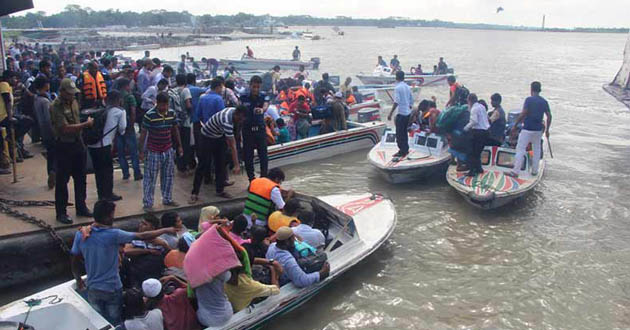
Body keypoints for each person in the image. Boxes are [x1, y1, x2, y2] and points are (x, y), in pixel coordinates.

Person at [70, 200, 176, 325]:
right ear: (107, 216)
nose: (113, 217)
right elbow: (142, 236)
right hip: (112, 289)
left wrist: (78, 279)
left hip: (93, 288)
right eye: (112, 214)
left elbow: (74, 259)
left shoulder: (81, 234)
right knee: (115, 320)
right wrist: (165, 230)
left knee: (97, 319)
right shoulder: (113, 235)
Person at [51, 78, 93, 224]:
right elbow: (64, 128)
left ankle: (81, 207)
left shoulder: (74, 102)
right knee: (62, 180)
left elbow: (75, 120)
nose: (72, 96)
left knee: (81, 178)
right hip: (64, 146)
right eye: (70, 94)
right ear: (62, 92)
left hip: (77, 144)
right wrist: (85, 124)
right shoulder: (56, 106)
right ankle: (61, 212)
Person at [138, 92, 183, 211]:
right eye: (161, 105)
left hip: (168, 149)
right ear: (157, 103)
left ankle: (167, 199)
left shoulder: (172, 113)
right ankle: (148, 203)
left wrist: (179, 146)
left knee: (168, 176)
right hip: (153, 150)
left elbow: (175, 130)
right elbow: (143, 134)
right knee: (150, 178)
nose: (163, 107)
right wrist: (141, 151)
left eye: (165, 105)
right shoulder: (149, 115)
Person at [191, 106, 245, 202]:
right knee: (203, 164)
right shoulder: (227, 121)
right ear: (236, 114)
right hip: (207, 137)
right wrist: (237, 165)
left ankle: (220, 190)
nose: (240, 121)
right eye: (239, 119)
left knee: (220, 163)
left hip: (219, 136)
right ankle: (194, 193)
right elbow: (233, 145)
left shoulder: (234, 112)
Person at [87, 90, 126, 202]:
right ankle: (108, 194)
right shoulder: (119, 112)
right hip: (104, 145)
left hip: (92, 145)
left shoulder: (100, 109)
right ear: (119, 100)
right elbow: (122, 129)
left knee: (98, 172)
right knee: (108, 171)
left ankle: (101, 195)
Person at [507, 81, 552, 178]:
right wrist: (547, 130)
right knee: (537, 149)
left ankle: (515, 171)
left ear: (531, 89)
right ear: (539, 90)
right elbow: (549, 116)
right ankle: (535, 171)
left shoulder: (529, 100)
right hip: (538, 130)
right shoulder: (544, 102)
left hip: (527, 128)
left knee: (520, 149)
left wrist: (515, 125)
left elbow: (523, 113)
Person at [265, 227, 330, 288]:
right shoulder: (288, 260)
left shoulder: (272, 246)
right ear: (287, 241)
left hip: (278, 274)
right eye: (293, 237)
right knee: (322, 257)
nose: (295, 239)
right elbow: (301, 281)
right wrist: (320, 274)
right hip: (285, 280)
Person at [240, 75, 270, 181]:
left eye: (257, 87)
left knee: (263, 155)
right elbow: (239, 109)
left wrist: (262, 110)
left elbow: (266, 105)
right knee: (248, 156)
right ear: (250, 86)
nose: (255, 89)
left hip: (260, 129)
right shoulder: (243, 96)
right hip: (247, 129)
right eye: (254, 87)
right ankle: (251, 180)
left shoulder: (263, 96)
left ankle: (263, 178)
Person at [116, 78, 143, 181]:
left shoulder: (116, 96)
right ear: (126, 85)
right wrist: (131, 124)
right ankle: (137, 173)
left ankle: (125, 173)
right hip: (128, 127)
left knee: (121, 152)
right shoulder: (130, 97)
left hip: (118, 127)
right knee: (133, 152)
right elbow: (133, 112)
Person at [32, 76, 55, 187]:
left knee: (50, 154)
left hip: (43, 131)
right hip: (49, 131)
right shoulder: (45, 101)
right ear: (45, 85)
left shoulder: (37, 98)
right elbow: (48, 119)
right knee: (54, 154)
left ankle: (51, 172)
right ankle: (53, 173)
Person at [169, 74, 193, 173]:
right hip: (185, 122)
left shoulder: (172, 91)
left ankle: (179, 164)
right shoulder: (185, 90)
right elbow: (188, 105)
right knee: (185, 144)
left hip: (175, 121)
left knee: (178, 143)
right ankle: (184, 165)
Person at [387, 71, 413, 159]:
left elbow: (396, 102)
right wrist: (409, 108)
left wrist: (390, 113)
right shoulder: (407, 87)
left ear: (396, 77)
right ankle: (406, 149)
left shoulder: (397, 88)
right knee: (404, 132)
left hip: (401, 113)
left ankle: (402, 151)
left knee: (399, 133)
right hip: (407, 113)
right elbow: (411, 100)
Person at [463, 93, 490, 177]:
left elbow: (474, 121)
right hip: (486, 131)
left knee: (472, 152)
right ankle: (479, 169)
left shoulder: (474, 109)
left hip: (478, 132)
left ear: (469, 101)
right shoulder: (482, 107)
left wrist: (465, 128)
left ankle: (472, 171)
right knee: (478, 152)